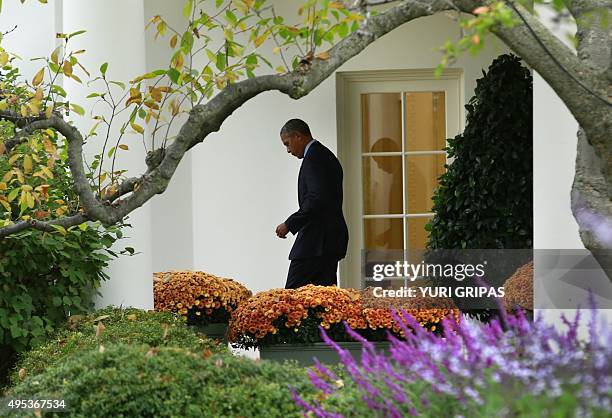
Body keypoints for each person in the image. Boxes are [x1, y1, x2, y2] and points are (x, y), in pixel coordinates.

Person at [275, 118, 349, 289]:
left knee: (291, 300)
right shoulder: (323, 155)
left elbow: (317, 198)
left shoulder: (315, 158)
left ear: (297, 136)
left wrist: (290, 223)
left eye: (287, 143)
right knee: (325, 302)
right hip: (327, 241)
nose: (288, 150)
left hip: (317, 243)